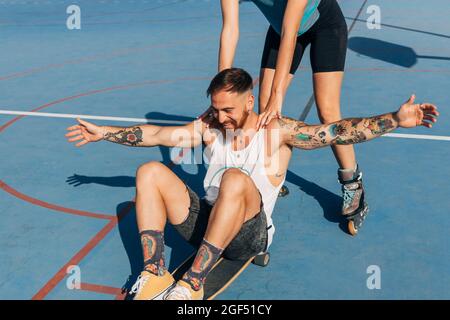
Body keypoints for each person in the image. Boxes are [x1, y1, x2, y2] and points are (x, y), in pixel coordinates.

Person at [65, 68, 438, 300]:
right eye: (215, 108)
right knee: (149, 170)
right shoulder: (211, 128)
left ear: (250, 100)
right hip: (208, 223)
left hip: (249, 233)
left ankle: (193, 284)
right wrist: (105, 134)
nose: (220, 117)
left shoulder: (277, 132)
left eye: (228, 109)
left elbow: (335, 131)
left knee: (234, 178)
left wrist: (393, 118)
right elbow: (159, 135)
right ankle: (153, 272)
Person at [219, 0, 367, 231]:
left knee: (327, 110)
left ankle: (352, 182)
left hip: (323, 25)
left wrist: (278, 95)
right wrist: (222, 90)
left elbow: (291, 32)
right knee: (264, 107)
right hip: (282, 29)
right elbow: (230, 29)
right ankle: (271, 176)